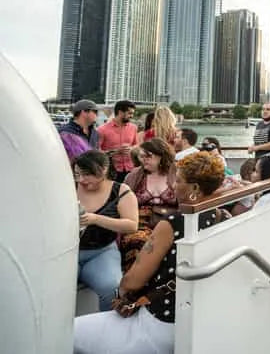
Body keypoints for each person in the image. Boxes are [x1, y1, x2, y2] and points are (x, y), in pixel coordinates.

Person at [73, 151, 226, 354]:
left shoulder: (172, 225)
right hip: (195, 320)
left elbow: (132, 281)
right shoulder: (221, 218)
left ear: (195, 188)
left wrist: (123, 295)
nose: (172, 185)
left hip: (159, 324)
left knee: (71, 333)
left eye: (178, 181)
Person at [75, 150, 138, 311]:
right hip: (67, 252)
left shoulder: (121, 191)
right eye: (77, 174)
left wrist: (96, 219)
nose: (81, 180)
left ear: (103, 170)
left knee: (113, 289)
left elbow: (132, 225)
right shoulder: (68, 186)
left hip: (101, 252)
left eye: (87, 175)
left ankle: (107, 329)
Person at [120, 138, 177, 272]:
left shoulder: (177, 173)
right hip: (140, 222)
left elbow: (187, 200)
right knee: (137, 242)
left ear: (162, 156)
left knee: (169, 245)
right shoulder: (134, 176)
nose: (144, 159)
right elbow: (123, 201)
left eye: (148, 156)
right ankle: (134, 284)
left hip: (170, 221)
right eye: (142, 156)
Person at [97, 100, 139, 183]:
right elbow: (96, 152)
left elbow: (136, 145)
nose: (132, 116)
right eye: (129, 113)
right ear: (120, 112)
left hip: (130, 169)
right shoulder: (102, 130)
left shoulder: (133, 128)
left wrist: (131, 149)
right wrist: (115, 151)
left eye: (132, 113)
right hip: (111, 171)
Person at [59, 99, 100, 164]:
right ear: (84, 112)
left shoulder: (95, 133)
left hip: (91, 172)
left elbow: (97, 153)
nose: (97, 114)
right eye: (95, 111)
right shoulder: (64, 132)